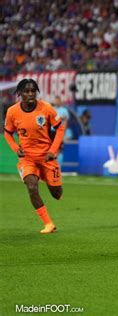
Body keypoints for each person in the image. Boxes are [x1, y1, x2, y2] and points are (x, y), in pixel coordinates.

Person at [3, 79, 66, 234]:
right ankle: (48, 224)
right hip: (27, 158)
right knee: (31, 187)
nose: (30, 94)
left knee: (56, 193)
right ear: (20, 93)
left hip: (47, 157)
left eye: (33, 91)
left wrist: (52, 150)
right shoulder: (12, 111)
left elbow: (60, 129)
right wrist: (16, 149)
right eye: (26, 91)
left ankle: (46, 176)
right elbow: (8, 133)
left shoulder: (46, 108)